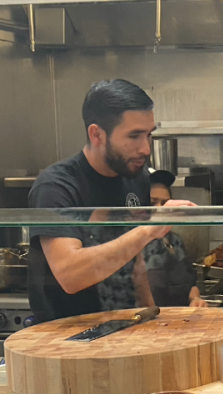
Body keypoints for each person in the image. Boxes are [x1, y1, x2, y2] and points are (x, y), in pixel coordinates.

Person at [27, 79, 193, 323]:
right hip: (66, 337)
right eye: (134, 136)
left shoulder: (135, 177)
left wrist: (152, 314)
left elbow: (136, 261)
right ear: (97, 134)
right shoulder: (56, 186)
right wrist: (149, 230)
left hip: (123, 327)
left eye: (148, 135)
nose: (146, 149)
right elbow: (70, 275)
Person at [144, 169, 207, 308]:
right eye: (152, 202)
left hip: (178, 321)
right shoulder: (131, 246)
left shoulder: (175, 240)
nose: (160, 208)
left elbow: (191, 283)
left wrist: (195, 299)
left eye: (165, 202)